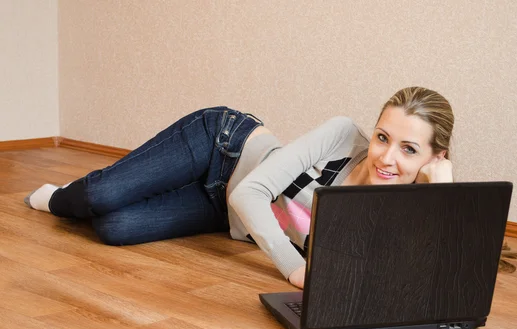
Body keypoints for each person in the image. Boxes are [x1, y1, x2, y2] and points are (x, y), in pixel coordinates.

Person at [25, 86, 454, 289]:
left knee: (114, 228)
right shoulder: (343, 136)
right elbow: (250, 193)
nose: (386, 158)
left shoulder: (403, 208)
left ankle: (100, 192)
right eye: (383, 137)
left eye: (409, 149)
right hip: (222, 145)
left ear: (434, 157)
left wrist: (441, 196)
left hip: (220, 210)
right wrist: (293, 267)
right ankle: (60, 194)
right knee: (99, 197)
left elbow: (421, 281)